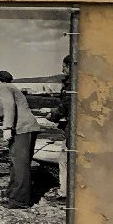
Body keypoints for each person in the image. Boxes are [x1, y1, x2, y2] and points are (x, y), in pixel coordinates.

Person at [0, 70, 42, 208]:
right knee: (16, 163)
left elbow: (9, 107)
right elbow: (6, 109)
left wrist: (7, 127)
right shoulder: (12, 88)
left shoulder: (3, 87)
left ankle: (20, 201)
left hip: (23, 129)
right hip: (26, 128)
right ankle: (13, 195)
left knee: (20, 164)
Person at [46, 55, 72, 201]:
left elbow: (65, 105)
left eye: (64, 66)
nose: (62, 69)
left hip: (73, 130)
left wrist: (53, 116)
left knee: (64, 159)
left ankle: (65, 192)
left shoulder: (71, 85)